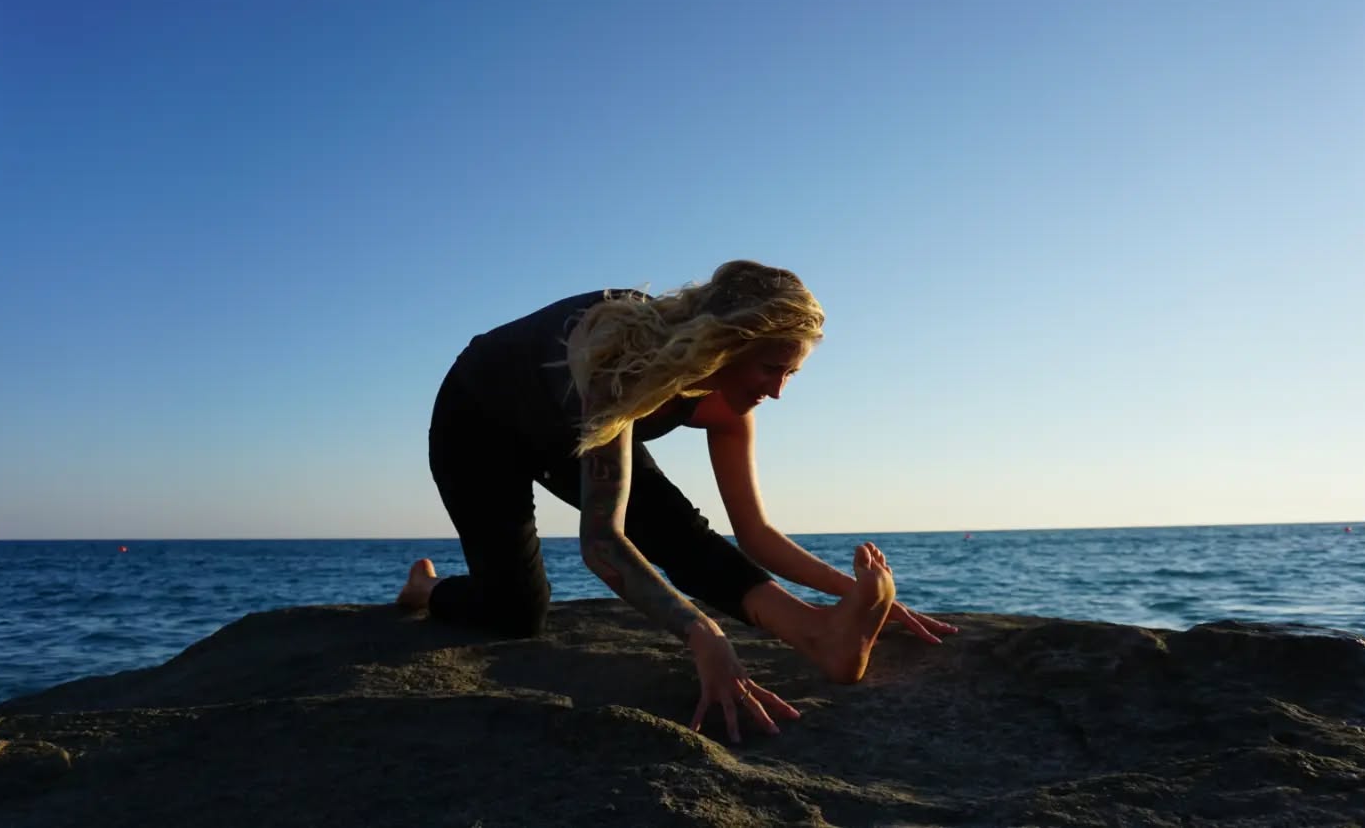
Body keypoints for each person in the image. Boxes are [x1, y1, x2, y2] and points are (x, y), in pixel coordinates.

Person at [398, 260, 956, 741]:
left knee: (676, 528)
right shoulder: (620, 354)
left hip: (572, 429)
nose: (779, 390)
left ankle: (819, 635)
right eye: (771, 368)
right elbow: (600, 542)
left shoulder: (732, 407)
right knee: (515, 612)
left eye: (791, 373)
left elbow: (755, 533)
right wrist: (703, 636)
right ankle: (426, 588)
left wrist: (852, 594)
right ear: (728, 344)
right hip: (479, 425)